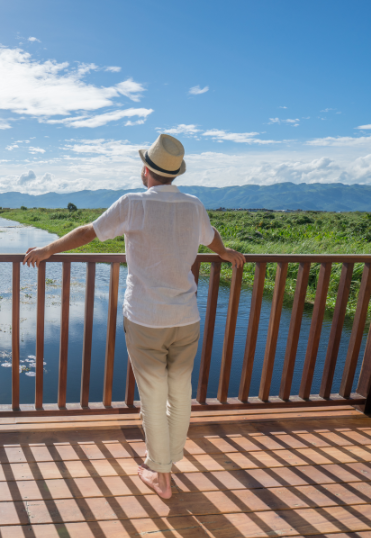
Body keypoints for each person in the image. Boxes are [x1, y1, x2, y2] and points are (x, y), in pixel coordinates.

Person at [22, 134, 245, 499]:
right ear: (174, 174)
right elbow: (212, 237)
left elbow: (88, 233)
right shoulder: (194, 206)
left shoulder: (132, 204)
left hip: (145, 319)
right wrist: (225, 252)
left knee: (154, 396)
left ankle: (160, 474)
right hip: (185, 317)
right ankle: (167, 461)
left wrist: (49, 249)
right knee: (180, 392)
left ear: (146, 170)